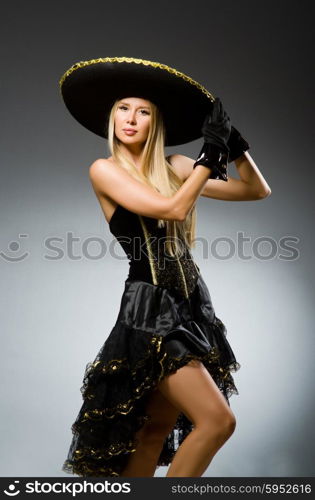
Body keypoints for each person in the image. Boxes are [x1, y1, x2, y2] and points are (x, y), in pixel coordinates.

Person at [59, 57, 271, 478]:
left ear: (156, 121)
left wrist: (236, 144)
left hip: (190, 307)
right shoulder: (104, 170)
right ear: (111, 117)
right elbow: (172, 209)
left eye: (143, 111)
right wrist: (210, 155)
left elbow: (256, 190)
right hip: (149, 310)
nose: (130, 119)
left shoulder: (175, 167)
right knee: (217, 421)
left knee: (155, 429)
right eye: (123, 108)